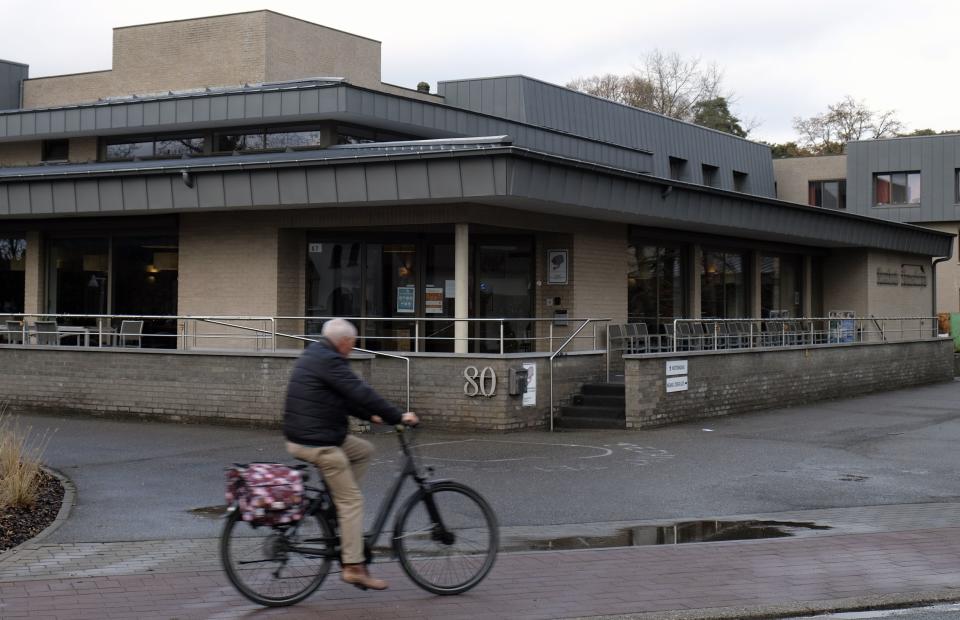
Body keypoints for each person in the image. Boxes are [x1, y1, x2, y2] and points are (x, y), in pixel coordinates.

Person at [283, 318, 418, 591]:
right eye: (353, 344)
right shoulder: (330, 360)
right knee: (352, 501)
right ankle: (354, 567)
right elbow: (359, 390)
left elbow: (343, 398)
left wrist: (370, 415)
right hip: (317, 442)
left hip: (314, 434)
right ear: (344, 342)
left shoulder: (318, 354)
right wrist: (397, 415)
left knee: (364, 449)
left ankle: (339, 511)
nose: (352, 349)